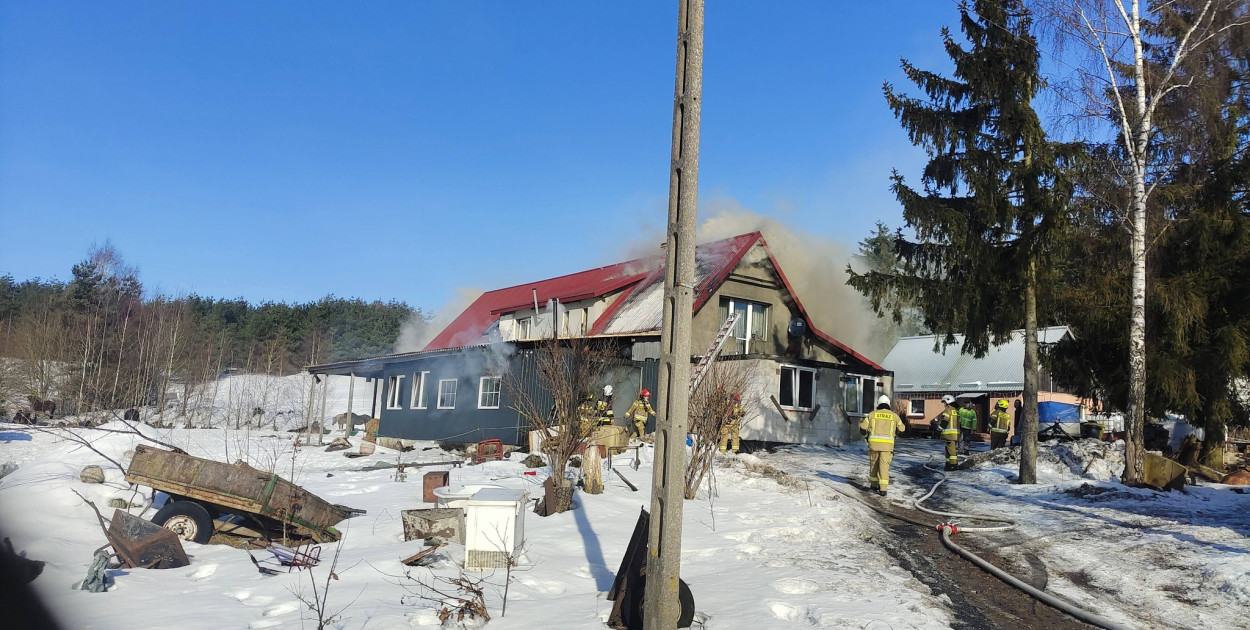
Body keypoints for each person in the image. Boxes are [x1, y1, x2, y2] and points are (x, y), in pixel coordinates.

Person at [859, 395, 907, 496]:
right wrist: (895, 434)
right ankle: (883, 489)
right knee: (884, 466)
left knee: (874, 464)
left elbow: (862, 428)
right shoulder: (894, 416)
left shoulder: (872, 415)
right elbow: (902, 429)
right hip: (887, 447)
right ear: (888, 404)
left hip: (874, 445)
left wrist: (867, 437)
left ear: (879, 404)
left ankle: (873, 485)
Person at [937, 394, 960, 470]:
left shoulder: (948, 409)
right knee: (949, 449)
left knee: (951, 450)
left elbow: (945, 420)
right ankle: (948, 463)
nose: (944, 404)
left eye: (944, 402)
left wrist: (939, 428)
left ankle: (953, 464)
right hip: (956, 434)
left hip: (949, 434)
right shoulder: (956, 410)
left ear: (948, 401)